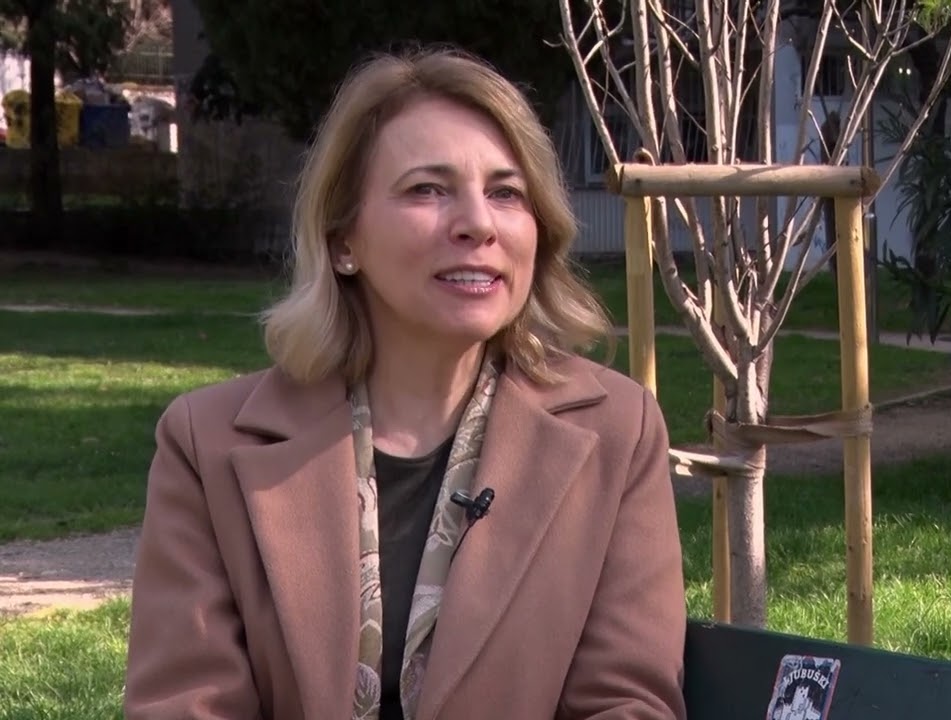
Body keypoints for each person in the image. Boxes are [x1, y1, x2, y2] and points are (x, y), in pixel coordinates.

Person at [123, 47, 688, 720]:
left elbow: (626, 703)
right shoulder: (206, 444)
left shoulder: (617, 432)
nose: (478, 224)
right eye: (427, 189)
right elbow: (186, 705)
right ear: (343, 241)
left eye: (506, 193)